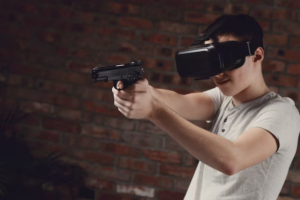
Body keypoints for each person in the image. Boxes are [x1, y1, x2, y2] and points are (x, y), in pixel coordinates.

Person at [111, 14, 300, 199]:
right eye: (213, 61)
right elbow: (181, 102)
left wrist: (154, 110)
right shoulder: (224, 99)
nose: (218, 73)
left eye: (226, 60)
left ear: (257, 56)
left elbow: (232, 159)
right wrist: (143, 91)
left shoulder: (282, 112)